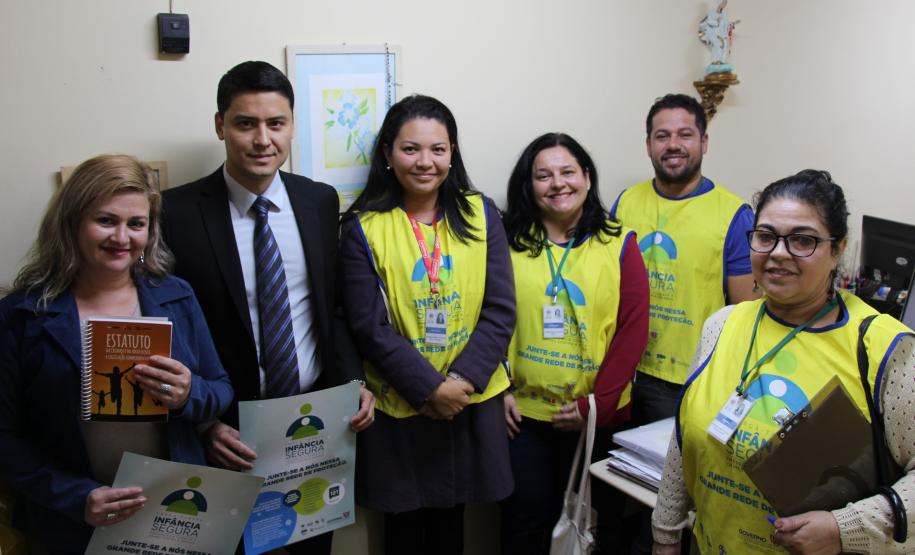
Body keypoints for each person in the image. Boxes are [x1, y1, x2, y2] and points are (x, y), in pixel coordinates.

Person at [161, 61, 373, 554]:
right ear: (220, 126)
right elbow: (170, 327)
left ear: (292, 126)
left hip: (313, 427)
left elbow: (333, 309)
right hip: (226, 433)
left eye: (276, 123)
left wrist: (354, 384)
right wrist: (203, 423)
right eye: (245, 123)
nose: (262, 140)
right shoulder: (176, 212)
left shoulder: (319, 201)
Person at [652, 170, 915, 554]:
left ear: (838, 250)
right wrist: (665, 535)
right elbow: (683, 442)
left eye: (802, 240)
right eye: (766, 236)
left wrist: (843, 528)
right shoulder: (722, 325)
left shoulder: (883, 349)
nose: (778, 252)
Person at [0, 155, 234, 553]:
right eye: (106, 220)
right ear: (72, 223)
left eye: (136, 224)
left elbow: (221, 390)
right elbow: (4, 438)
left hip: (171, 515)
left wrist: (188, 393)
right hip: (69, 525)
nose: (122, 238)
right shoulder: (23, 315)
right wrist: (76, 497)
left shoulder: (176, 295)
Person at [340, 94, 515, 554]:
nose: (425, 161)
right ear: (387, 153)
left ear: (452, 153)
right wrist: (430, 388)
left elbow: (500, 309)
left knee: (451, 524)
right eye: (410, 148)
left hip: (468, 400)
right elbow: (368, 325)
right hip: (400, 404)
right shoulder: (362, 226)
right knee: (402, 529)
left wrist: (460, 383)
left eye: (438, 149)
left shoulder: (481, 214)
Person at [499, 133, 649, 554]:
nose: (557, 183)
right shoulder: (506, 241)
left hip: (597, 417)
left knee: (595, 527)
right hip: (523, 417)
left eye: (567, 171)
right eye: (543, 175)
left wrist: (597, 405)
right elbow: (488, 318)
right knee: (524, 524)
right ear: (529, 185)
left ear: (586, 177)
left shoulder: (620, 243)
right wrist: (498, 389)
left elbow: (632, 329)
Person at [610, 93, 759, 425]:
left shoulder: (734, 215)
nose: (673, 145)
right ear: (648, 145)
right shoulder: (625, 203)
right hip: (622, 370)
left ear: (704, 142)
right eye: (662, 136)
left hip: (685, 381)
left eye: (685, 134)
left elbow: (746, 313)